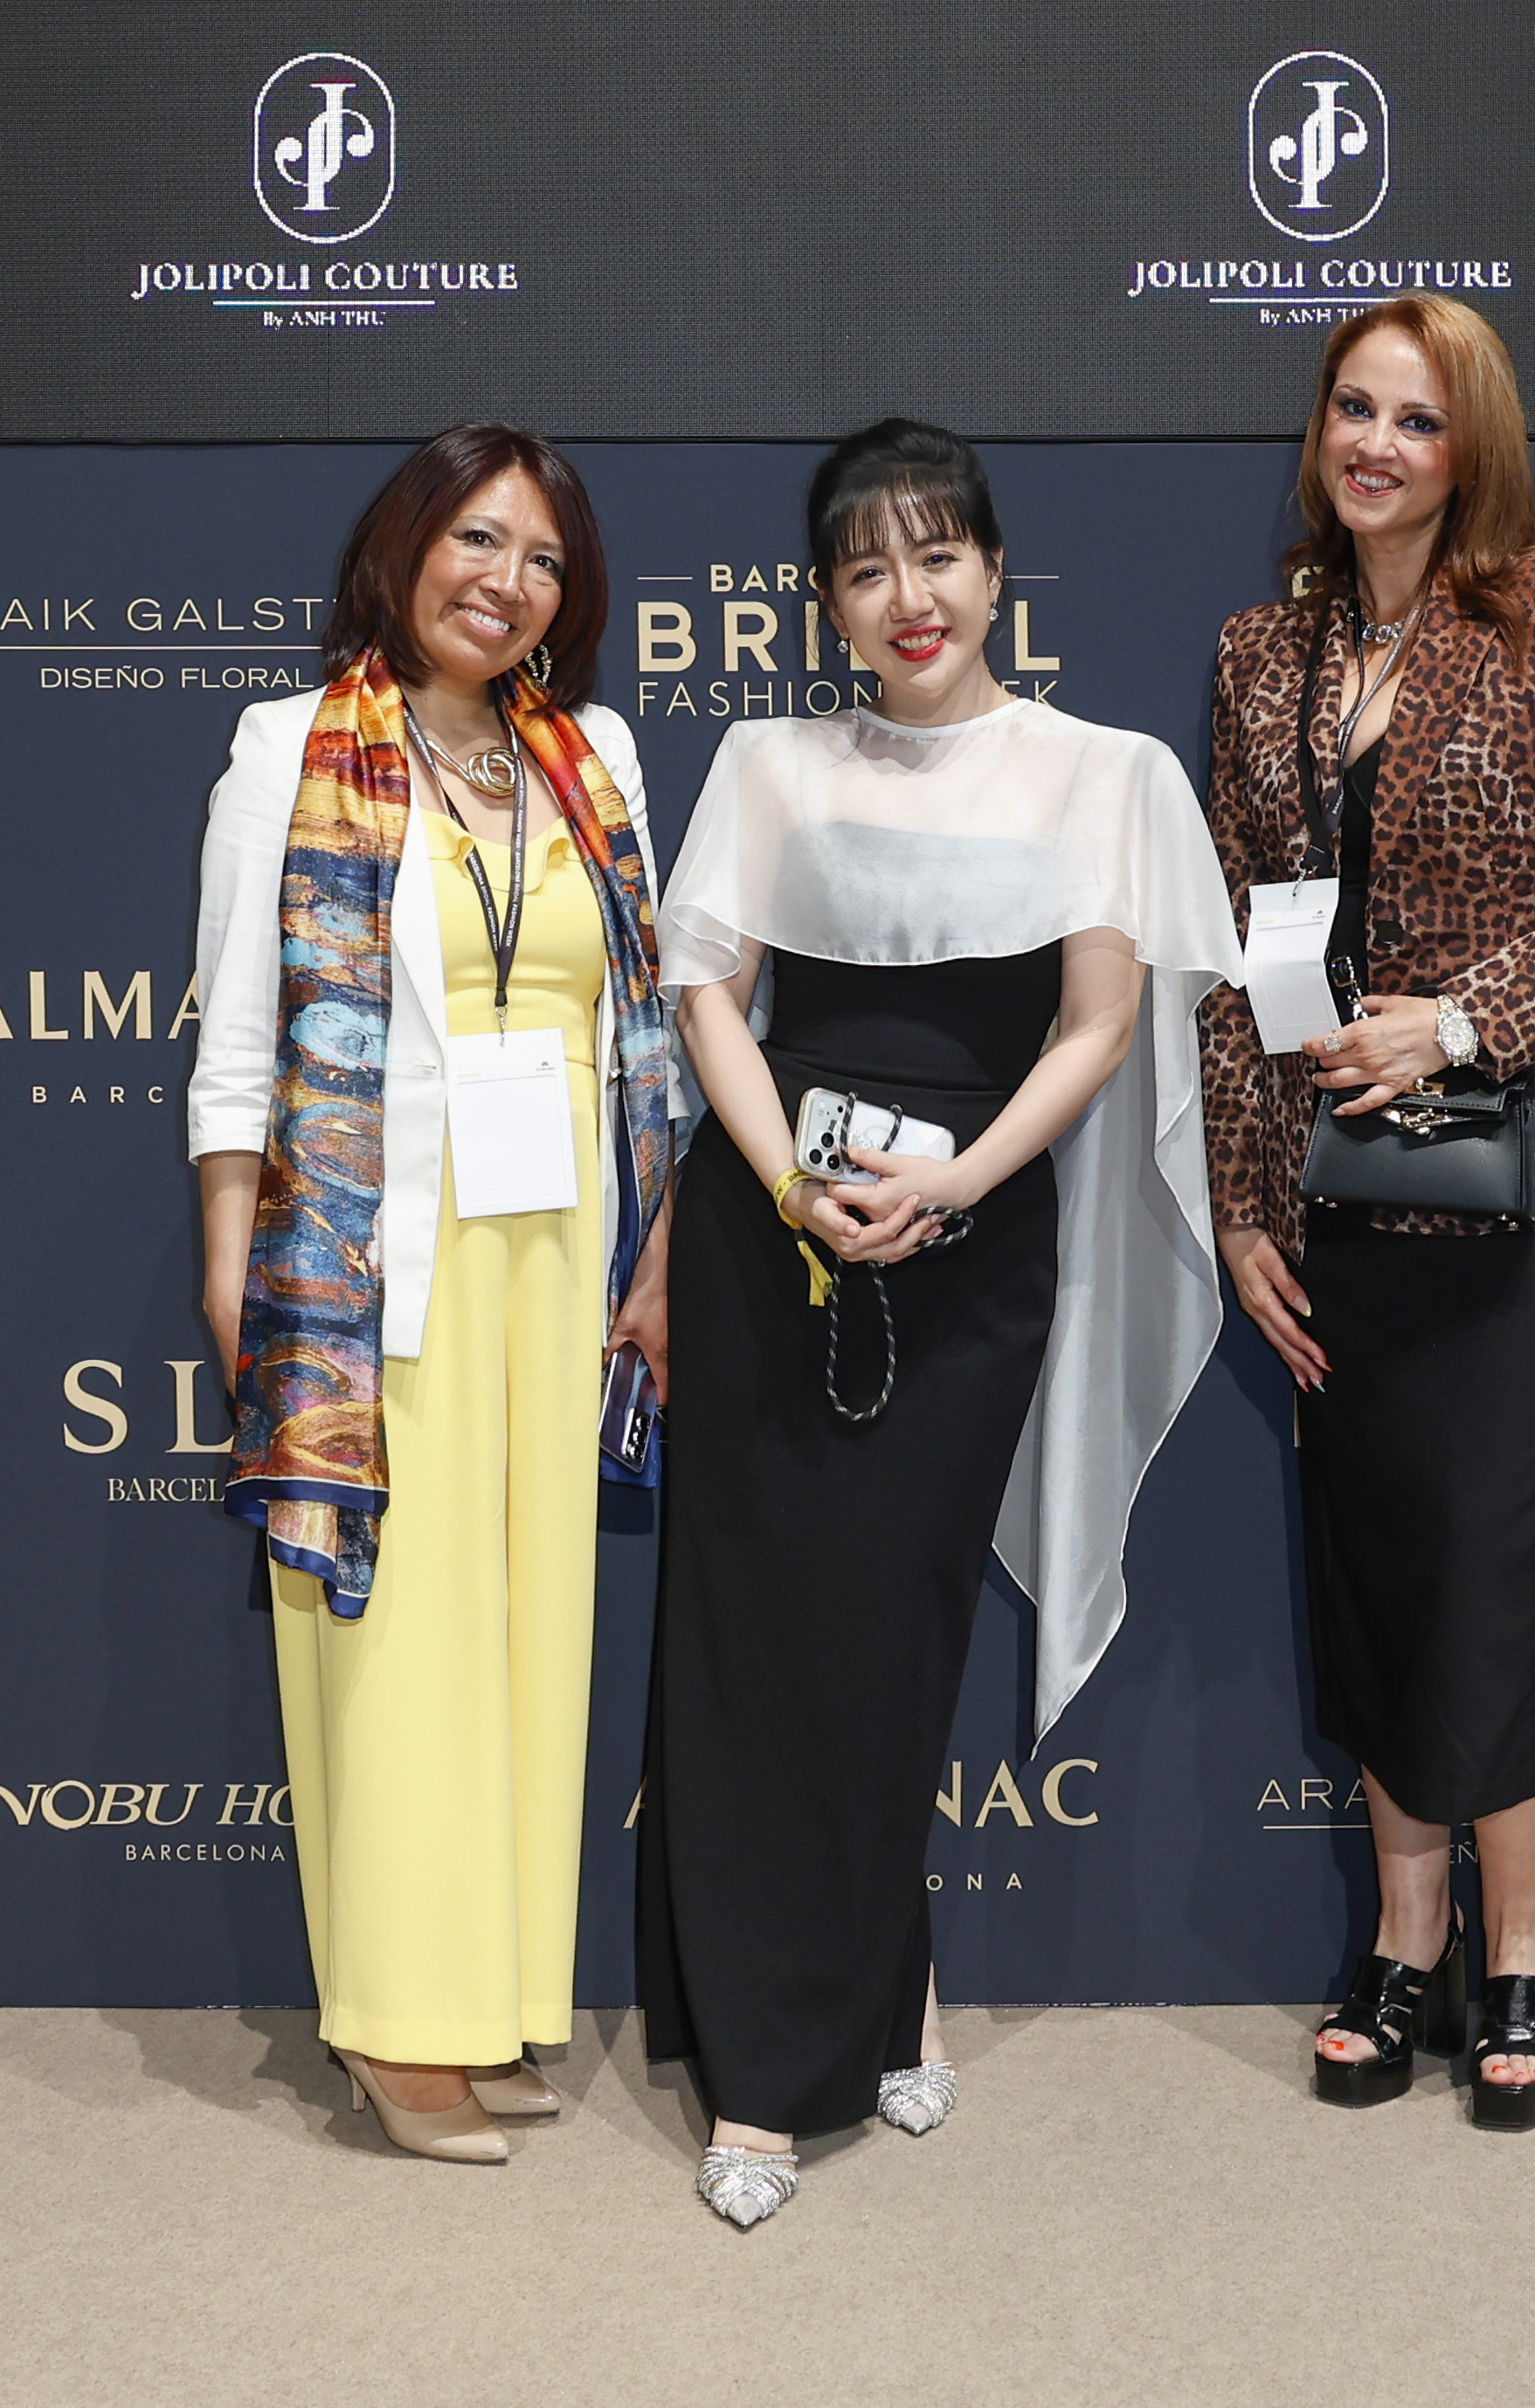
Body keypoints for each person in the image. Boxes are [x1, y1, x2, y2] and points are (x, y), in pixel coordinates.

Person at [640, 419, 1236, 2229]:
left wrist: (954, 1184)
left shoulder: (1103, 773)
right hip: (773, 1232)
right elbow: (709, 992)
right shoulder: (767, 760)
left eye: (938, 555)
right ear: (826, 602)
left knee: (894, 1631)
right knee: (755, 1638)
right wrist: (786, 1183)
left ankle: (883, 1978)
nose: (908, 597)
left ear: (995, 568)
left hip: (971, 1248)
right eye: (865, 568)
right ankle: (767, 2072)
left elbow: (1098, 1026)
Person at [1197, 294, 1535, 2132]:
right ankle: (1401, 1935)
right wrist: (1242, 1196)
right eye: (1354, 407)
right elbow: (1236, 947)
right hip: (1337, 1176)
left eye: (1418, 419)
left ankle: (1525, 1934)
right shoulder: (1264, 651)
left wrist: (1463, 1017)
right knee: (1378, 1546)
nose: (1377, 445)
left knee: (1490, 1537)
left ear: (1471, 448)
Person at [185, 426, 684, 2166]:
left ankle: (486, 2002)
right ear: (403, 545)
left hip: (557, 1260)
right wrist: (235, 1271)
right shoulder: (289, 749)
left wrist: (655, 1253)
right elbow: (241, 1042)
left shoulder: (594, 755)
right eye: (478, 538)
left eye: (543, 558)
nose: (507, 581)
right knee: (398, 1646)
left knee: (530, 1641)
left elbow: (637, 1031)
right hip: (374, 1269)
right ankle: (400, 2029)